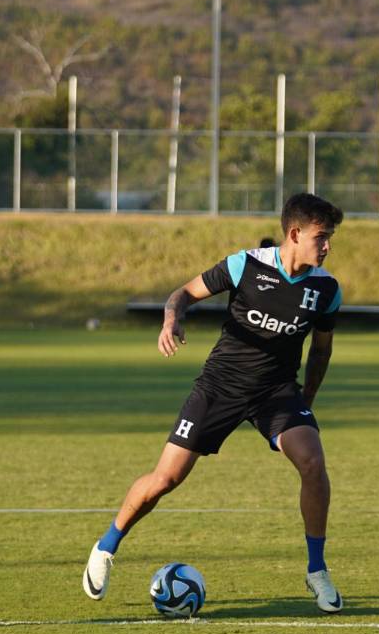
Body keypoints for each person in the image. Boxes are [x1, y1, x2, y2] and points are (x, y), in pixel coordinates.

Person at [84, 193, 345, 612]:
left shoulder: (326, 289)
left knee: (313, 462)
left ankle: (317, 570)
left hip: (276, 393)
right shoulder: (246, 265)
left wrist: (306, 403)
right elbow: (183, 293)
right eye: (321, 236)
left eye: (330, 237)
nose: (328, 246)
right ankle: (106, 546)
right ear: (295, 234)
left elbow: (321, 350)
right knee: (166, 478)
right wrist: (172, 318)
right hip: (220, 386)